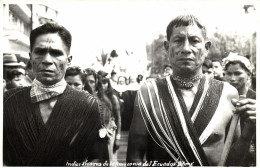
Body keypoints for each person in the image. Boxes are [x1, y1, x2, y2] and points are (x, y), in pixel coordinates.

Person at [126, 14, 255, 166]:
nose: (186, 49)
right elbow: (134, 158)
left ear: (206, 48)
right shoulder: (149, 92)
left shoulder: (227, 94)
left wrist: (248, 134)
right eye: (178, 41)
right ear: (167, 47)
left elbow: (232, 163)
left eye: (194, 41)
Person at [3, 23, 108, 166]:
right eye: (40, 52)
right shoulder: (8, 101)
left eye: (56, 53)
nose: (47, 60)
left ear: (69, 60)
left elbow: (100, 159)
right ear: (30, 57)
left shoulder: (89, 105)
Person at [223, 53, 256, 166]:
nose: (232, 78)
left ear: (249, 74)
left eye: (237, 73)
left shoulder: (256, 100)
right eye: (229, 74)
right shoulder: (221, 99)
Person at [96, 70, 121, 163]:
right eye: (101, 83)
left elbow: (118, 119)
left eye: (105, 83)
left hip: (110, 131)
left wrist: (118, 138)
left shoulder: (112, 97)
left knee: (111, 159)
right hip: (97, 131)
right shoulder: (94, 96)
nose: (103, 86)